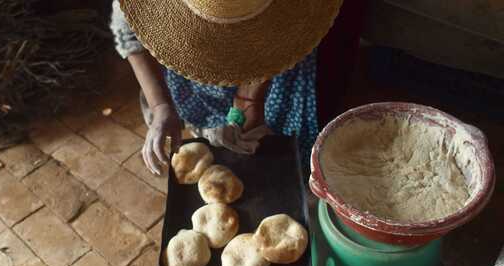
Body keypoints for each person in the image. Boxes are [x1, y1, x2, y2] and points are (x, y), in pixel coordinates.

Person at [110, 0, 362, 175]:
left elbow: (281, 44)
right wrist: (161, 106)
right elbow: (128, 30)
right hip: (199, 62)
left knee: (274, 140)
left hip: (276, 53)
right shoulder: (144, 10)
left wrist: (248, 101)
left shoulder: (295, 18)